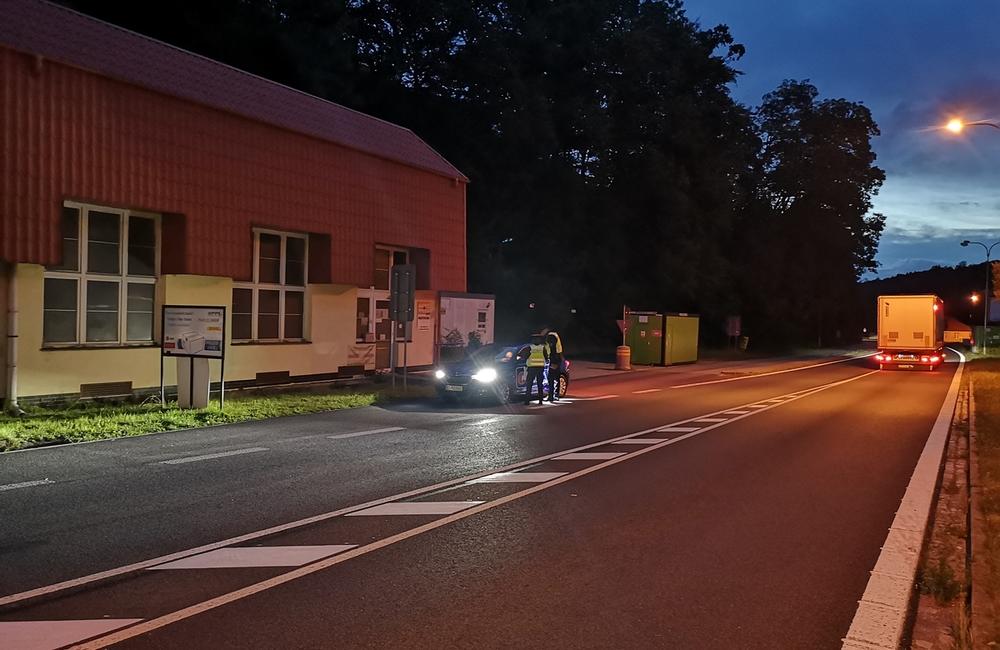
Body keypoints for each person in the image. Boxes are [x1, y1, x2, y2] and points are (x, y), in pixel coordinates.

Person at [524, 334, 548, 405]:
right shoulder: (543, 348)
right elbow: (546, 358)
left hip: (531, 368)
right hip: (540, 368)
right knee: (539, 385)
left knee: (529, 385)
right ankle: (540, 401)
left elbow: (525, 356)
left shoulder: (530, 348)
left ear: (532, 340)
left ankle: (527, 401)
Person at [546, 331, 564, 402]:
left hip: (555, 361)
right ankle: (553, 395)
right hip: (554, 360)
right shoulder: (554, 336)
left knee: (553, 379)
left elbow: (555, 352)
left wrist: (554, 363)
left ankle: (553, 396)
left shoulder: (552, 336)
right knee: (553, 379)